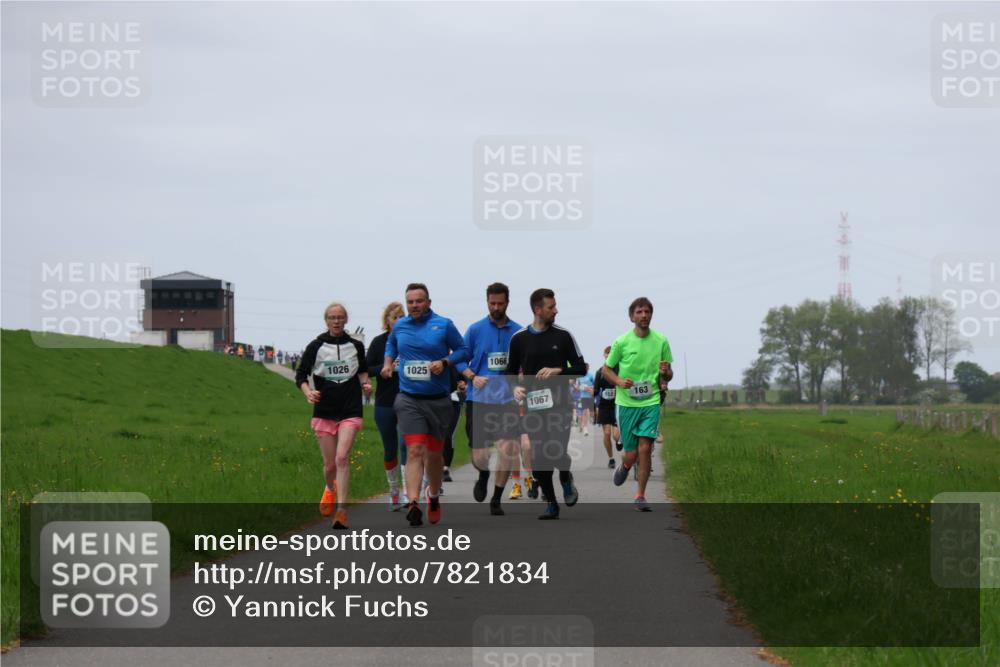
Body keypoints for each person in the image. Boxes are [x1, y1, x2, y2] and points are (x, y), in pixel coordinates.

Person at [382, 283, 468, 527]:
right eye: (410, 302)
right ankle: (413, 503)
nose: (414, 306)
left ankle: (432, 495)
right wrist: (388, 363)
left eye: (419, 301)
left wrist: (445, 361)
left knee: (434, 454)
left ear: (428, 302)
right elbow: (391, 345)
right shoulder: (401, 325)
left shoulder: (444, 324)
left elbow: (462, 350)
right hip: (409, 398)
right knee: (415, 450)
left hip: (439, 400)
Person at [504, 288, 586, 520]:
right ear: (538, 310)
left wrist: (559, 370)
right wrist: (515, 388)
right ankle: (551, 503)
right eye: (551, 307)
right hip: (533, 406)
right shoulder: (519, 339)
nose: (556, 310)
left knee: (556, 450)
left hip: (560, 405)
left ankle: (565, 477)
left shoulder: (563, 336)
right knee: (539, 456)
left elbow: (581, 368)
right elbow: (510, 371)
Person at [296, 303, 372, 529]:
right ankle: (330, 488)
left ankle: (341, 511)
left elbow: (363, 372)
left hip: (350, 409)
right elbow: (301, 374)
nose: (336, 321)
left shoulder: (356, 346)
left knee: (342, 458)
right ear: (326, 320)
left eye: (340, 317)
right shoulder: (316, 346)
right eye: (332, 317)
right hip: (325, 410)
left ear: (346, 320)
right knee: (330, 465)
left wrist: (366, 385)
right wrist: (308, 392)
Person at [456, 282, 523, 516]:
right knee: (480, 456)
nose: (496, 307)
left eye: (500, 303)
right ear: (487, 302)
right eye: (492, 303)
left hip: (507, 400)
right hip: (479, 399)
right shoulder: (475, 330)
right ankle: (483, 474)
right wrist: (471, 376)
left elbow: (525, 363)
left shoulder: (518, 332)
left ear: (507, 303)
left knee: (508, 447)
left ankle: (496, 497)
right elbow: (459, 358)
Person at [604, 297, 673, 512]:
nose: (644, 315)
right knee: (632, 453)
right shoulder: (622, 342)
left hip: (651, 401)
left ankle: (640, 495)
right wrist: (618, 381)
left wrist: (665, 373)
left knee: (646, 448)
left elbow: (669, 375)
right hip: (626, 403)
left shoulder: (661, 341)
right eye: (639, 312)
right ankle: (625, 465)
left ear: (651, 315)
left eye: (647, 312)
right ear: (632, 316)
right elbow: (606, 369)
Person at [366, 301, 407, 511]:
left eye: (402, 316)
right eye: (395, 317)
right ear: (387, 321)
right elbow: (366, 368)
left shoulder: (411, 340)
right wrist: (383, 367)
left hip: (409, 400)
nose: (399, 320)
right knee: (390, 448)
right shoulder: (378, 342)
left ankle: (410, 493)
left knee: (405, 444)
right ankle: (393, 492)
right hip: (384, 402)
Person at [593, 346, 621, 469]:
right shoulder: (600, 372)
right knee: (607, 433)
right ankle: (611, 458)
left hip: (617, 405)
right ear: (604, 355)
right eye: (607, 354)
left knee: (615, 435)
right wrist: (592, 392)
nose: (609, 356)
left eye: (611, 354)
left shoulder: (620, 369)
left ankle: (619, 441)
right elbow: (595, 390)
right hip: (604, 406)